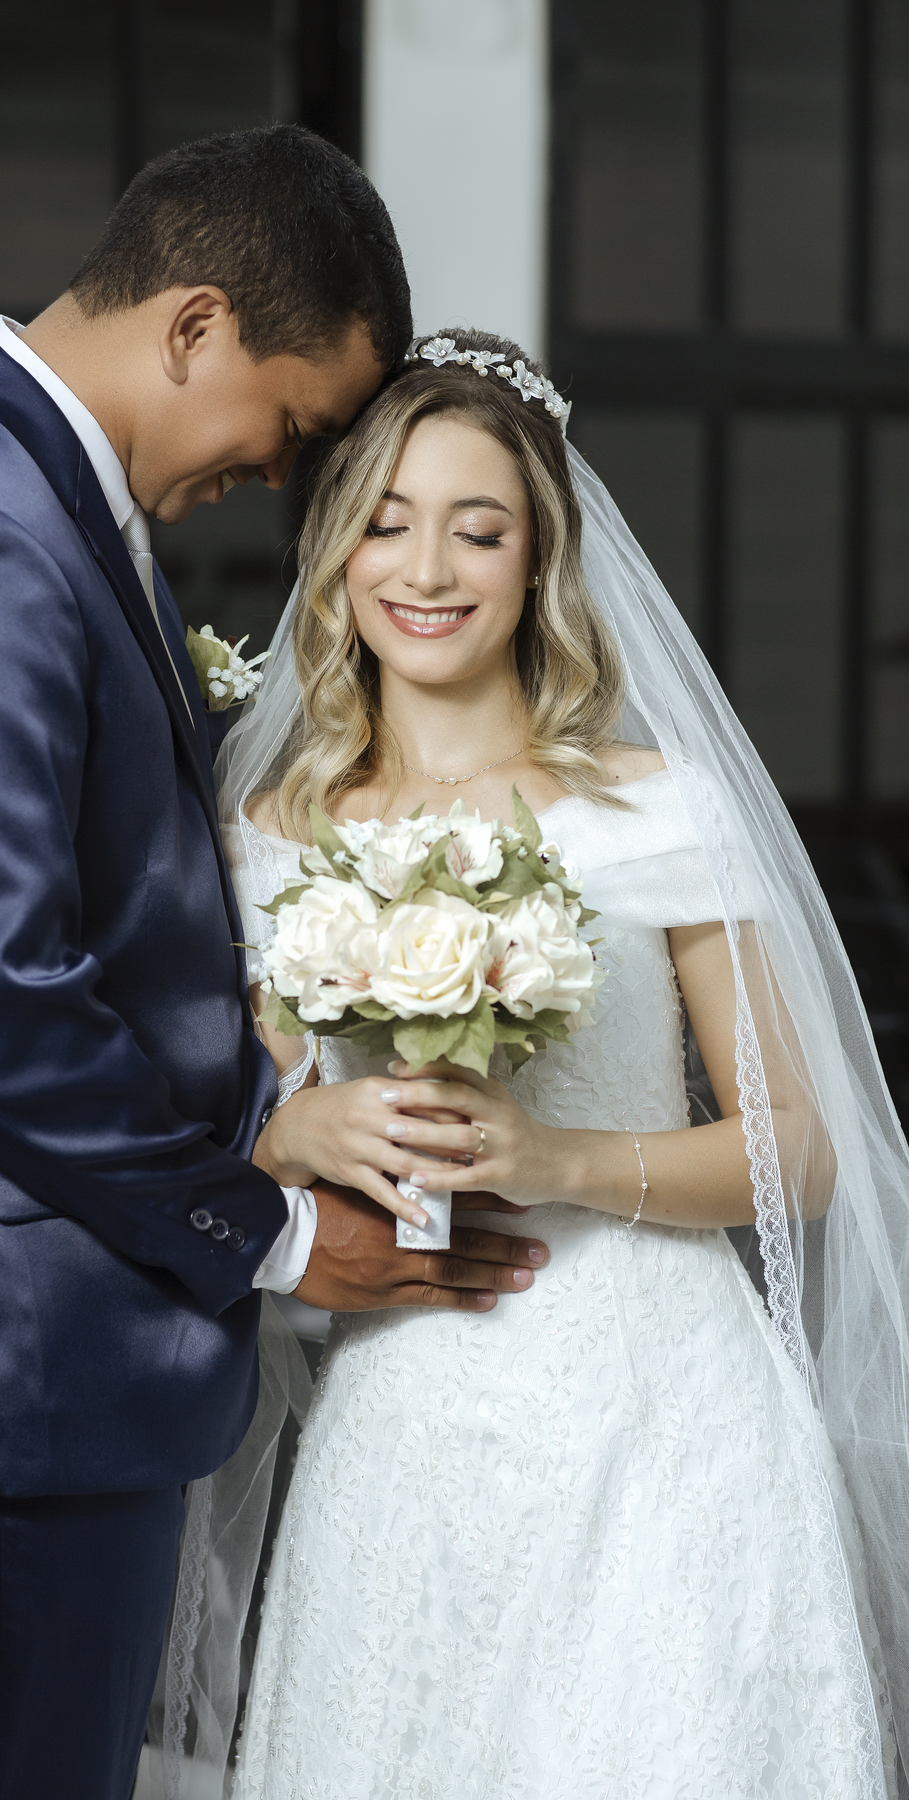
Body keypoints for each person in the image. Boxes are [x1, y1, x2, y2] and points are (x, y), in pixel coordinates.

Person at [0, 138, 549, 1799]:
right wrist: (272, 1231)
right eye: (295, 424)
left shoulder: (22, 487)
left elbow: (105, 922)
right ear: (196, 327)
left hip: (33, 1334)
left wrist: (274, 1094)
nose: (283, 472)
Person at [194, 329, 909, 1797]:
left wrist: (560, 1159)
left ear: (540, 562)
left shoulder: (658, 810)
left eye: (480, 529)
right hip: (407, 1411)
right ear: (337, 552)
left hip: (660, 1413)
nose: (427, 569)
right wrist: (297, 1133)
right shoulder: (272, 830)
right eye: (386, 522)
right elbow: (234, 1122)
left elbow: (800, 1147)